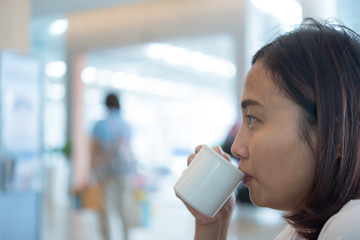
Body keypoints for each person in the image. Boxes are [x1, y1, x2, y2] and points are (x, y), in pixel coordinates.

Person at [177, 18, 360, 240]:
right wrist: (212, 224)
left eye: (253, 118)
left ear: (337, 136)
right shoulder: (300, 231)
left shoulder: (350, 225)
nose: (236, 148)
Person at [90, 93, 133, 240]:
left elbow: (94, 150)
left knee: (105, 208)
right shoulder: (126, 125)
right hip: (123, 172)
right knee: (124, 207)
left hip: (104, 171)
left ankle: (107, 237)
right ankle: (127, 237)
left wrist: (91, 171)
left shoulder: (100, 125)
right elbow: (129, 150)